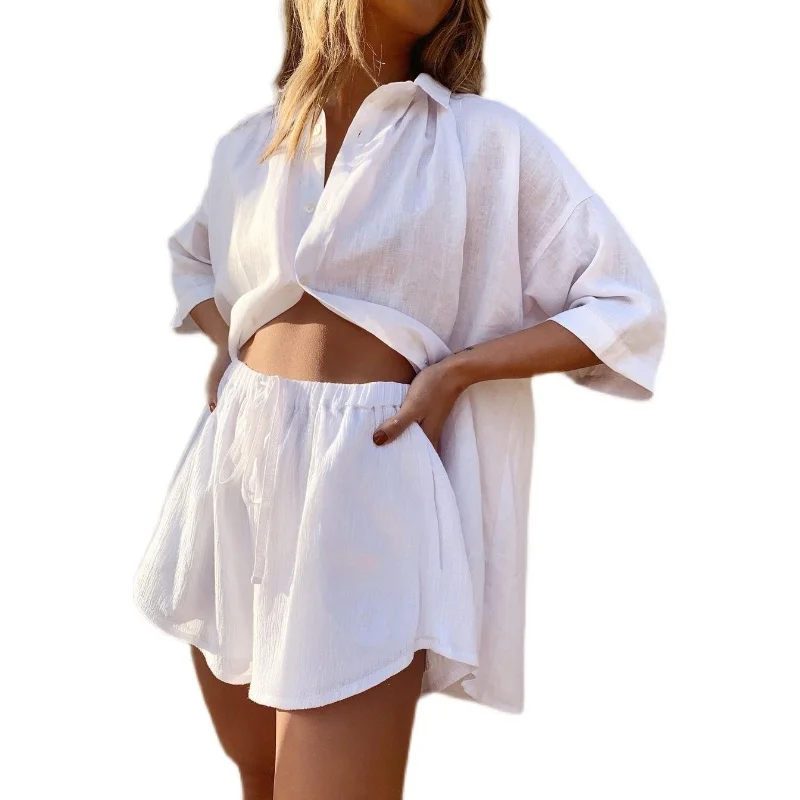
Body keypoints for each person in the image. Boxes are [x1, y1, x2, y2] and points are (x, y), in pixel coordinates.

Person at [133, 1, 666, 797]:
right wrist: (231, 346)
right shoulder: (250, 147)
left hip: (366, 481)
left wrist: (459, 372)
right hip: (232, 476)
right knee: (260, 777)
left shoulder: (482, 141)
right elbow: (195, 263)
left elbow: (625, 306)